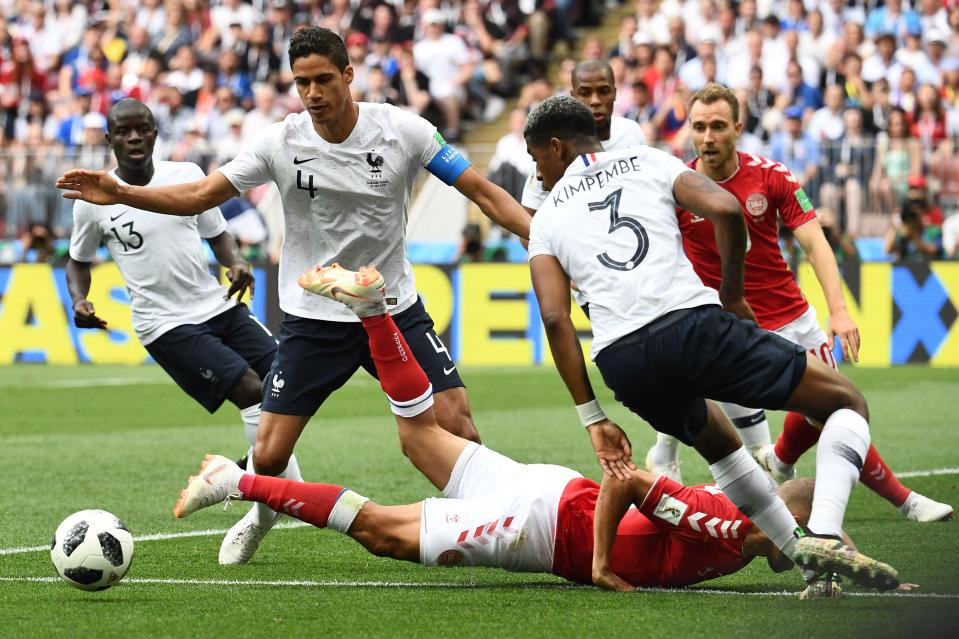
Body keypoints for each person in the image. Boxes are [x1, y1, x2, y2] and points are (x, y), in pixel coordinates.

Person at [57, 28, 532, 566]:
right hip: (314, 318)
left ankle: (498, 527)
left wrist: (542, 237)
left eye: (324, 80)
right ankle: (259, 513)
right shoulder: (279, 142)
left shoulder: (404, 131)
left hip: (392, 309)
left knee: (457, 423)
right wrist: (121, 192)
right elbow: (199, 196)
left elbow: (484, 193)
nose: (313, 93)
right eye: (302, 83)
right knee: (271, 452)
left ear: (348, 75)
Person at [174, 263, 897, 599]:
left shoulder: (745, 539)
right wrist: (601, 563)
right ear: (778, 527)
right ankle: (234, 478)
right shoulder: (730, 522)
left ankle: (373, 314)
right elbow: (635, 479)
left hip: (548, 493)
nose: (803, 551)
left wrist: (857, 572)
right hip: (540, 524)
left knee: (420, 438)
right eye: (804, 539)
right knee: (381, 531)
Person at [523, 95, 899, 592]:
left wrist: (593, 418)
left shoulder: (546, 219)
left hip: (622, 359)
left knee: (721, 447)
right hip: (691, 326)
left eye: (537, 159)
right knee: (846, 400)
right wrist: (732, 295)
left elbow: (555, 318)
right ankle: (824, 531)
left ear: (557, 146)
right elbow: (725, 207)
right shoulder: (651, 160)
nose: (538, 172)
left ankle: (809, 562)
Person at [643, 83, 952, 524]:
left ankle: (780, 460)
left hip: (791, 318)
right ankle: (903, 500)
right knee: (693, 391)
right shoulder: (677, 189)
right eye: (698, 127)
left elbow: (815, 244)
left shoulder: (772, 176)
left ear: (738, 127)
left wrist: (839, 309)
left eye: (717, 126)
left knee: (835, 407)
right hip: (725, 326)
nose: (707, 137)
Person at [66, 100, 295, 530]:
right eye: (124, 131)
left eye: (143, 129)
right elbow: (78, 260)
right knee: (252, 390)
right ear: (110, 139)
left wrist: (236, 263)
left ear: (155, 133)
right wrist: (80, 299)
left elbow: (218, 235)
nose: (134, 138)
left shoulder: (187, 176)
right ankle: (269, 507)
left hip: (217, 304)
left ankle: (247, 487)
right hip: (165, 324)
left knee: (289, 384)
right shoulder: (93, 198)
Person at [520, 59, 646, 217]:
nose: (595, 101)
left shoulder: (631, 132)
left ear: (614, 93)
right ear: (573, 96)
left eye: (603, 91)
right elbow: (528, 228)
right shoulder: (555, 147)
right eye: (585, 93)